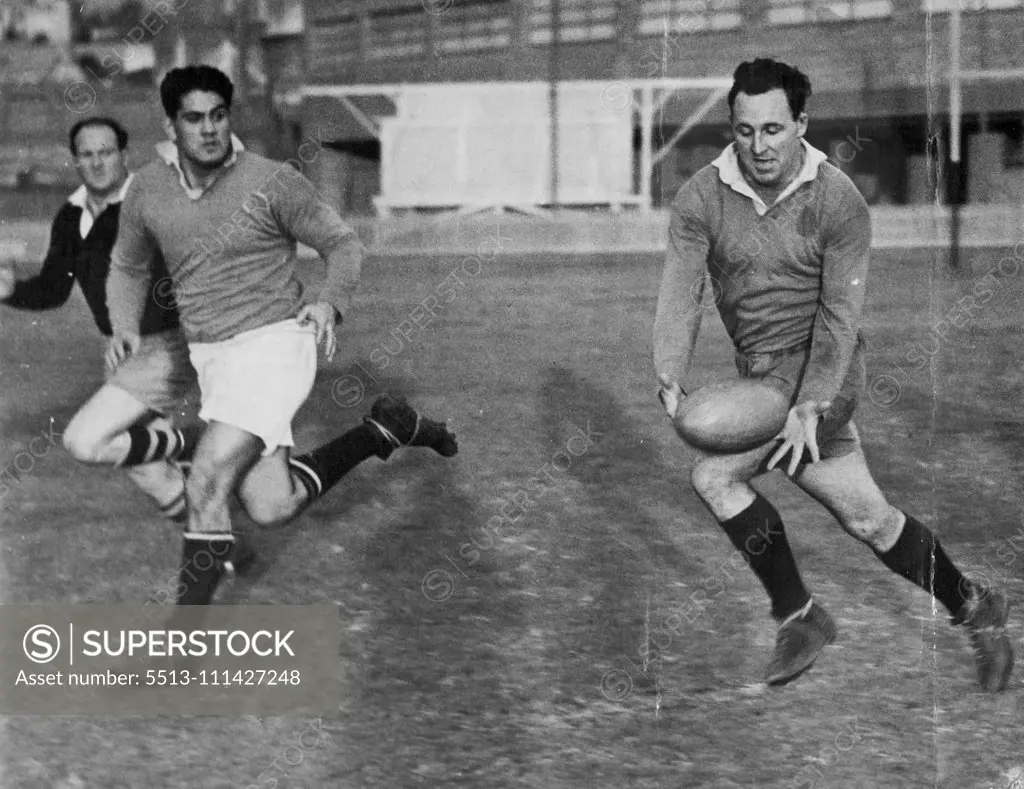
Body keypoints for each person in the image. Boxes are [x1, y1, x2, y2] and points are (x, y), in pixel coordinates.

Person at [653, 58, 1012, 691]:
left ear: (801, 124)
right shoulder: (700, 197)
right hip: (765, 381)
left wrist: (812, 403)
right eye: (744, 131)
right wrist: (668, 370)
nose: (759, 146)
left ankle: (801, 616)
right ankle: (976, 606)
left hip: (828, 374)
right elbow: (681, 290)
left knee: (714, 474)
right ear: (731, 129)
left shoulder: (838, 200)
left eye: (773, 129)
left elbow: (840, 318)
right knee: (870, 520)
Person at [106, 65, 458, 606]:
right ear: (170, 125)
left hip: (275, 345)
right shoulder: (149, 190)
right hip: (214, 361)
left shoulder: (272, 181)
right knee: (272, 505)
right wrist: (125, 326)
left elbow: (342, 245)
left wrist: (327, 302)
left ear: (230, 118)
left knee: (206, 482)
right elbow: (128, 265)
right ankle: (383, 431)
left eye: (218, 116)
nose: (208, 130)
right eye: (193, 118)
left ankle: (179, 657)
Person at [0, 117, 207, 527]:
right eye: (87, 154)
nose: (97, 163)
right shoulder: (70, 216)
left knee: (86, 441)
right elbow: (53, 289)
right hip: (121, 353)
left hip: (167, 346)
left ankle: (194, 441)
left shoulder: (154, 203)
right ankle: (221, 543)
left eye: (106, 152)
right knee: (143, 463)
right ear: (75, 161)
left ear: (124, 155)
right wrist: (9, 292)